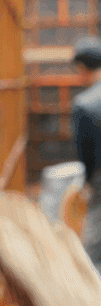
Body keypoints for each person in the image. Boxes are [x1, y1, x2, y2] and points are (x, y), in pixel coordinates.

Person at [71, 34, 101, 273]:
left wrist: (88, 182)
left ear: (82, 68)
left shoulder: (84, 104)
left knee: (94, 247)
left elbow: (86, 155)